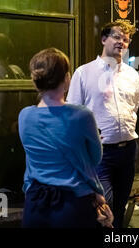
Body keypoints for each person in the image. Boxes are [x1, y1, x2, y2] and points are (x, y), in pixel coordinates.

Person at [18, 48, 110, 228]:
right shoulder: (81, 116)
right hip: (72, 204)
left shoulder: (25, 116)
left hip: (35, 203)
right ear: (66, 79)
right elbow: (95, 159)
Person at [67, 20, 139, 228]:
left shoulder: (133, 75)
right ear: (103, 39)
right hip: (99, 154)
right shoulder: (84, 73)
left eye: (126, 40)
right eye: (117, 37)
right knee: (103, 208)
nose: (122, 42)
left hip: (128, 150)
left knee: (119, 208)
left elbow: (133, 108)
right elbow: (74, 114)